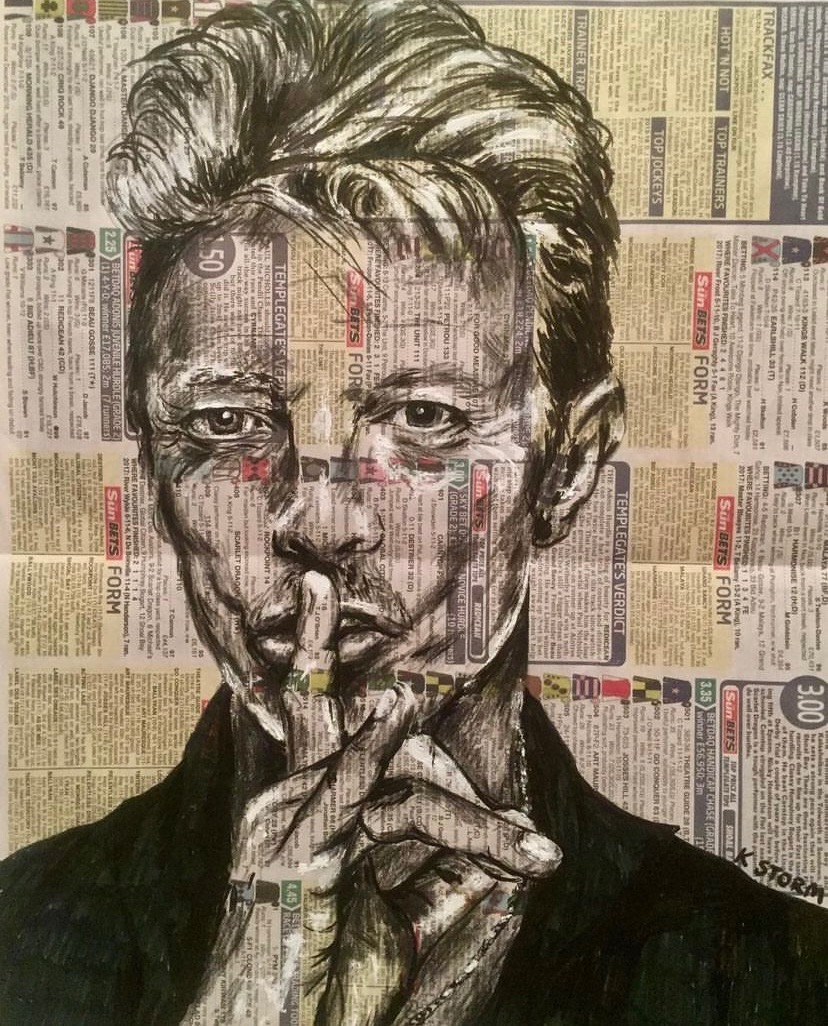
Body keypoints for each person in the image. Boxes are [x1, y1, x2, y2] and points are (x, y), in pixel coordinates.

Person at [0, 2, 825, 1024]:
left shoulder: (778, 978)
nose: (317, 519)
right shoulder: (21, 936)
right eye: (227, 421)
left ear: (567, 465)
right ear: (152, 461)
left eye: (426, 419)